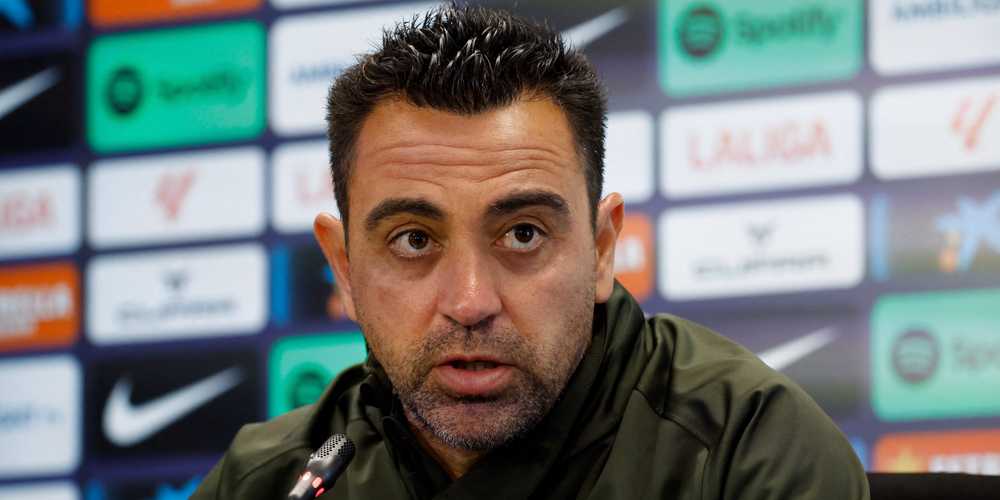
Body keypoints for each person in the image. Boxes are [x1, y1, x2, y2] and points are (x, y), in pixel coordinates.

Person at [192, 5, 869, 499]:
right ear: (343, 267)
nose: (470, 302)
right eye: (414, 240)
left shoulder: (746, 451)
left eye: (523, 234)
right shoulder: (269, 480)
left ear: (601, 249)